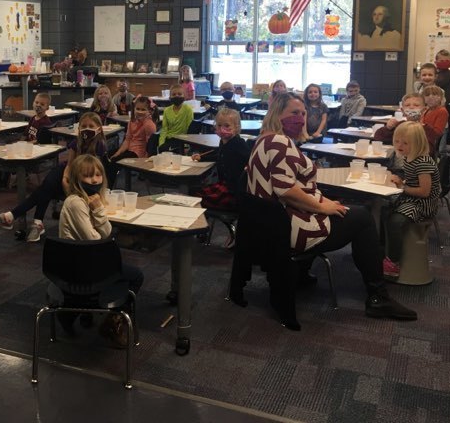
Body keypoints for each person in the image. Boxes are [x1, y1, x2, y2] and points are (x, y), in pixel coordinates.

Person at [245, 92, 417, 321]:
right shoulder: (280, 142)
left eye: (303, 113)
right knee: (363, 218)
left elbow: (288, 186)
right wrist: (322, 207)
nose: (301, 118)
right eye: (294, 113)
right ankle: (378, 297)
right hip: (289, 229)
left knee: (343, 208)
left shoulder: (262, 140)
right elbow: (285, 190)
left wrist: (321, 201)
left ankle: (301, 274)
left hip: (266, 226)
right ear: (277, 114)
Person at [0, 112, 112, 242]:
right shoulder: (76, 142)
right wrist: (64, 178)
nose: (87, 128)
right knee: (47, 186)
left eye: (91, 126)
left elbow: (95, 173)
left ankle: (14, 217)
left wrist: (70, 182)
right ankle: (33, 222)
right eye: (84, 126)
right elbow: (69, 164)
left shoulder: (100, 146)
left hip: (81, 179)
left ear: (98, 129)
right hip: (68, 172)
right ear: (79, 128)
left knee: (44, 190)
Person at [59, 154, 144, 345]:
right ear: (76, 179)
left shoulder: (92, 199)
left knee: (124, 270)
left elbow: (106, 232)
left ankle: (85, 311)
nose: (94, 180)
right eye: (88, 176)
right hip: (78, 265)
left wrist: (98, 209)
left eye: (98, 175)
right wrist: (99, 216)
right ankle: (111, 320)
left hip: (88, 259)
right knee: (136, 276)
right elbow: (96, 240)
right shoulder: (75, 202)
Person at [382, 122, 441, 280]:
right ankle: (383, 251)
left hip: (424, 204)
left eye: (405, 143)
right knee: (384, 209)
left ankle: (393, 261)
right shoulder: (409, 158)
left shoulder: (423, 162)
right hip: (412, 198)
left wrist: (402, 186)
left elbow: (424, 191)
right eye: (397, 141)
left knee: (395, 221)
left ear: (417, 144)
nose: (399, 146)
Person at [190, 108, 251, 247]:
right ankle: (201, 229)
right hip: (224, 185)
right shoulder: (224, 142)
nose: (222, 129)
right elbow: (219, 155)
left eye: (227, 126)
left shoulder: (239, 144)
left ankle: (202, 229)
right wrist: (202, 157)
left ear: (237, 128)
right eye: (219, 126)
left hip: (233, 191)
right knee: (194, 192)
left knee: (196, 196)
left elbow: (251, 159)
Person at [0, 93, 54, 192]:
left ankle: (13, 178)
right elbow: (25, 134)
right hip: (26, 146)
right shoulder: (33, 118)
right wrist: (18, 143)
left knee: (12, 156)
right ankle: (2, 181)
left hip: (34, 149)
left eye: (42, 104)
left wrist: (24, 145)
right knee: (8, 152)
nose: (38, 105)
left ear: (47, 108)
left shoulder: (46, 122)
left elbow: (40, 141)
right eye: (36, 102)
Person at [373, 93, 440, 158]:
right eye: (407, 105)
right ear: (402, 110)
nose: (411, 107)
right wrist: (388, 128)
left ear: (424, 110)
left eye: (416, 105)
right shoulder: (399, 125)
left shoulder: (428, 130)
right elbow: (378, 138)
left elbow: (429, 150)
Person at [111, 96, 157, 161]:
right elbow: (127, 139)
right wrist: (117, 153)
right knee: (110, 155)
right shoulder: (132, 121)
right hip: (130, 149)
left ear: (149, 111)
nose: (140, 112)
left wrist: (145, 161)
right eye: (137, 109)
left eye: (143, 110)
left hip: (139, 154)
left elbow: (150, 146)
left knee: (115, 161)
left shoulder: (149, 124)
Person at [158, 84, 193, 150]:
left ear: (184, 96)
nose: (177, 96)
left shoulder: (188, 110)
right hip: (169, 139)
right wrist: (161, 144)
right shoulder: (166, 110)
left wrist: (186, 146)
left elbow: (190, 129)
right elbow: (164, 129)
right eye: (173, 94)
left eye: (179, 94)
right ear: (170, 97)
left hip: (182, 140)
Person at [434, 50, 450, 142]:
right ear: (436, 62)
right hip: (437, 105)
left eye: (447, 61)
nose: (444, 63)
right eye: (441, 61)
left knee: (447, 128)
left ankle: (448, 153)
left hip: (447, 105)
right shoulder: (436, 73)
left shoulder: (449, 74)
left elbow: (438, 82)